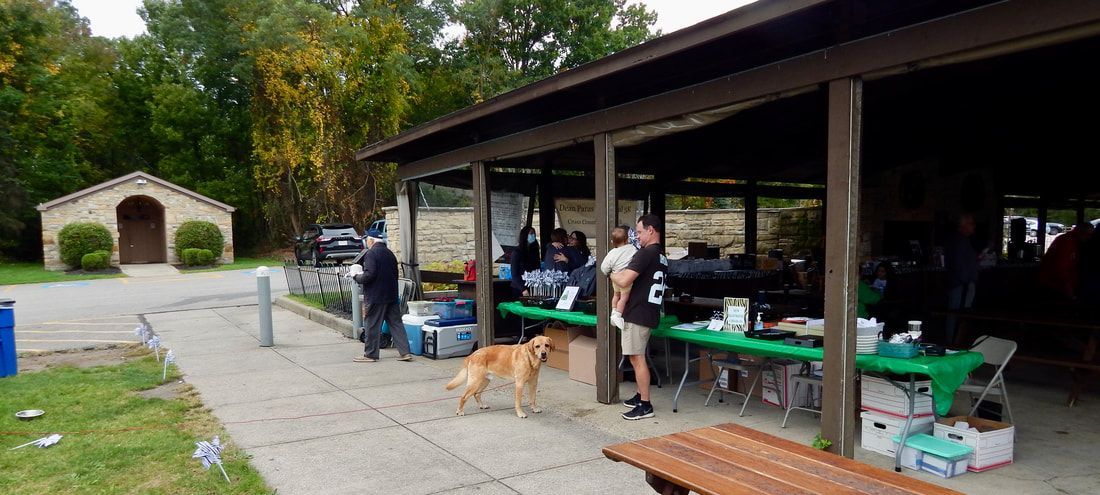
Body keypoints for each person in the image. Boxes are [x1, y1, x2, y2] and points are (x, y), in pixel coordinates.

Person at [611, 214, 668, 420]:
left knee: (636, 358)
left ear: (651, 230)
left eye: (641, 232)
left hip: (638, 311)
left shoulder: (646, 253)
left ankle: (645, 404)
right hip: (650, 310)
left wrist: (610, 272)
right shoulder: (661, 254)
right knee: (637, 356)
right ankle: (639, 395)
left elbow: (625, 279)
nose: (638, 236)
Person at [348, 228, 413, 362]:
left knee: (372, 325)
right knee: (396, 324)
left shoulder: (371, 254)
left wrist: (356, 276)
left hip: (376, 296)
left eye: (367, 239)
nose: (366, 242)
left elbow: (369, 275)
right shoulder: (390, 254)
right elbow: (395, 274)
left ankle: (370, 354)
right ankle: (405, 352)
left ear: (371, 240)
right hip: (391, 295)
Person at [943, 214, 979, 345]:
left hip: (962, 282)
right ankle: (953, 341)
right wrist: (966, 280)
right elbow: (958, 263)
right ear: (964, 225)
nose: (974, 226)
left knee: (960, 312)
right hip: (960, 283)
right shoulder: (959, 241)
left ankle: (957, 339)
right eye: (971, 223)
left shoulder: (962, 240)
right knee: (956, 312)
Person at [1039, 222, 1094, 300]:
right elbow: (1061, 267)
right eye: (1088, 235)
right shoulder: (1068, 242)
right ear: (1081, 233)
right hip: (1056, 285)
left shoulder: (1069, 240)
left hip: (1056, 283)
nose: (1088, 238)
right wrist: (1068, 288)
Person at [600, 225, 638, 329]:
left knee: (616, 295)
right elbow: (637, 258)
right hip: (625, 277)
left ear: (613, 242)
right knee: (624, 298)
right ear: (627, 239)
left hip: (615, 277)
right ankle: (618, 315)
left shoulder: (612, 252)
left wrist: (609, 273)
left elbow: (604, 267)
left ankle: (613, 312)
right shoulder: (632, 249)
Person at [510, 226, 541, 297]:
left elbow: (538, 268)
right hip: (519, 288)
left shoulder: (534, 250)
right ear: (525, 235)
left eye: (534, 234)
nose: (533, 236)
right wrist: (523, 289)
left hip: (532, 287)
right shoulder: (517, 252)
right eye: (531, 234)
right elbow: (514, 274)